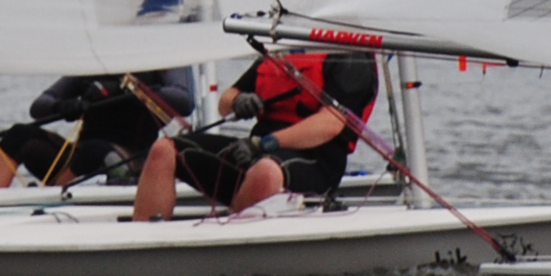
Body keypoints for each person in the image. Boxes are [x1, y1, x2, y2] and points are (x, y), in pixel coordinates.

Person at [133, 43, 380, 220]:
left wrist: (264, 144)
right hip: (255, 153)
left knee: (266, 173)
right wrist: (239, 101)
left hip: (316, 163)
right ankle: (143, 249)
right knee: (164, 150)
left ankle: (225, 247)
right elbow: (225, 103)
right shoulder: (281, 49)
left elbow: (330, 124)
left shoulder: (351, 58)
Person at [0, 68, 195, 188]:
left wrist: (127, 90)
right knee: (19, 135)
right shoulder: (92, 67)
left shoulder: (159, 63)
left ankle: (51, 196)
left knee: (96, 151)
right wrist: (62, 106)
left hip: (133, 161)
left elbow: (184, 101)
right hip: (82, 159)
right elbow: (39, 106)